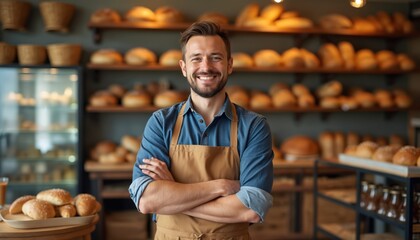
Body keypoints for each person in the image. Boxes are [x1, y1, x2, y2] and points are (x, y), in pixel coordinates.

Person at [129, 21, 273, 239]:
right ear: (184, 67)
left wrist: (173, 192)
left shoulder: (253, 126)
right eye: (196, 58)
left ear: (230, 65)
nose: (206, 67)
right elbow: (147, 200)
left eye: (216, 57)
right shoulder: (161, 122)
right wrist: (221, 186)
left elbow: (250, 209)